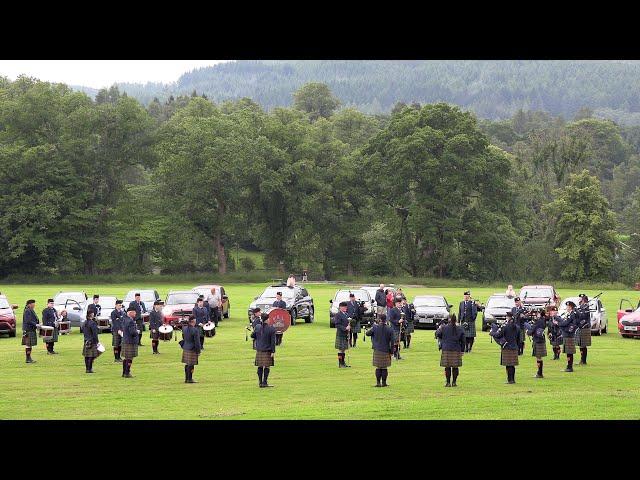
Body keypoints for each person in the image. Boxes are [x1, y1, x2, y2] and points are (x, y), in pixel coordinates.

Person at [436, 314, 465, 387]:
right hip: (456, 349)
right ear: (456, 320)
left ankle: (448, 383)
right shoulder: (460, 328)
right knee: (455, 367)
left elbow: (437, 334)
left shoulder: (444, 328)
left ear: (449, 320)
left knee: (447, 367)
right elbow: (463, 340)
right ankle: (454, 382)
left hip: (446, 349)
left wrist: (439, 328)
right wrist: (462, 350)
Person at [365, 313, 394, 387]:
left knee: (378, 367)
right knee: (384, 367)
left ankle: (378, 383)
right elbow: (392, 342)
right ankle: (384, 383)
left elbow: (367, 333)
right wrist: (391, 352)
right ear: (385, 320)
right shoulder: (390, 328)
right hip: (386, 350)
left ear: (379, 319)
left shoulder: (375, 327)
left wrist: (373, 326)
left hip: (377, 349)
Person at [492, 311, 520, 384]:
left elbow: (498, 335)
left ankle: (509, 380)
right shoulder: (517, 327)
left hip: (507, 347)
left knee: (508, 365)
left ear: (508, 317)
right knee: (512, 365)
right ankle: (512, 379)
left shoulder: (505, 326)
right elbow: (518, 339)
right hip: (514, 347)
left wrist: (492, 333)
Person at [251, 311, 277, 387]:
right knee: (267, 366)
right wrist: (273, 351)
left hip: (259, 349)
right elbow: (273, 342)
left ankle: (260, 383)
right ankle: (264, 382)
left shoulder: (258, 327)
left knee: (260, 366)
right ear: (267, 319)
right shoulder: (271, 328)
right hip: (267, 350)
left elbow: (252, 336)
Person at [558, 301, 578, 372]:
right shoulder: (569, 314)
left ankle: (570, 367)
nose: (566, 308)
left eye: (567, 306)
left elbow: (566, 323)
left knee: (569, 352)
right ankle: (569, 366)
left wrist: (559, 324)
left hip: (569, 335)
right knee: (568, 352)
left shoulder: (572, 314)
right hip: (567, 335)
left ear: (570, 307)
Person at [181, 315, 201, 383]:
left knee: (187, 364)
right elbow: (197, 342)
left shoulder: (184, 328)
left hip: (186, 347)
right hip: (192, 349)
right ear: (193, 321)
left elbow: (183, 337)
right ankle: (190, 379)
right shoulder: (195, 330)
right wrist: (198, 351)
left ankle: (186, 378)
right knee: (191, 364)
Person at [528, 309, 548, 378]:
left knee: (538, 357)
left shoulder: (538, 321)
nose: (536, 314)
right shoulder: (543, 320)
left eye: (537, 313)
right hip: (541, 340)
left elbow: (532, 331)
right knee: (539, 357)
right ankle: (539, 372)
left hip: (538, 340)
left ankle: (539, 373)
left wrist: (528, 331)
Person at [121, 306, 140, 378]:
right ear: (130, 312)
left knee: (126, 358)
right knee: (130, 358)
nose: (135, 314)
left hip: (125, 340)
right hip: (130, 341)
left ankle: (124, 372)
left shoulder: (124, 319)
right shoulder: (130, 321)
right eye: (134, 312)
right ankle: (127, 373)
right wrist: (137, 332)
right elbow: (132, 332)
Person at [22, 299, 40, 364]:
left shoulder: (30, 310)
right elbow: (28, 321)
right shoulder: (27, 311)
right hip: (28, 330)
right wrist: (36, 325)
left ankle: (29, 358)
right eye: (33, 304)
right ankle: (28, 359)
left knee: (29, 345)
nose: (34, 305)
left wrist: (37, 323)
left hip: (31, 329)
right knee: (28, 345)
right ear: (30, 304)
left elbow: (34, 319)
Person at [576, 294, 592, 365]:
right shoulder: (582, 307)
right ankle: (582, 360)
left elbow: (583, 316)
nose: (579, 300)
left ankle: (583, 360)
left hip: (584, 327)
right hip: (581, 327)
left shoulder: (586, 308)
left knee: (583, 344)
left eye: (580, 299)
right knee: (581, 344)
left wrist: (577, 310)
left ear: (583, 300)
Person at [334, 301, 351, 368]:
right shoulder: (338, 315)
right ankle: (340, 363)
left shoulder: (346, 314)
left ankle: (343, 363)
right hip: (340, 334)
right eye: (344, 307)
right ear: (340, 307)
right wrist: (345, 328)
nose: (345, 308)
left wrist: (350, 326)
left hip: (346, 334)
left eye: (346, 307)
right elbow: (337, 324)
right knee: (341, 349)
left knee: (344, 349)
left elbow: (348, 322)